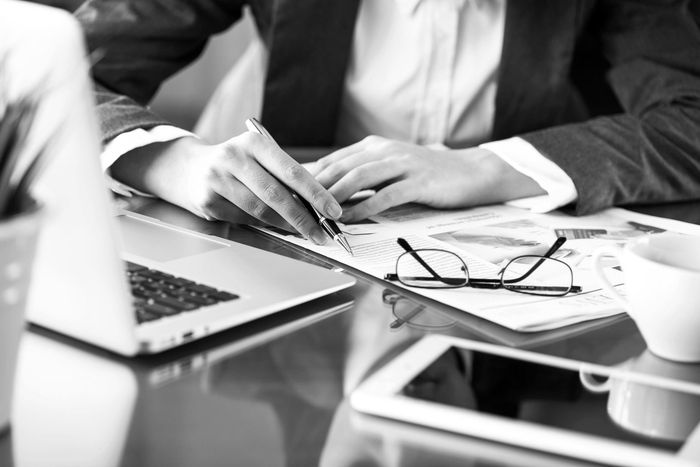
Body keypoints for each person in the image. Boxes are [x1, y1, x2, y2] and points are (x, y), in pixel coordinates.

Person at [75, 0, 700, 244]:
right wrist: (173, 162)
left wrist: (487, 167)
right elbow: (59, 62)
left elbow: (690, 118)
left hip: (509, 278)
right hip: (288, 251)